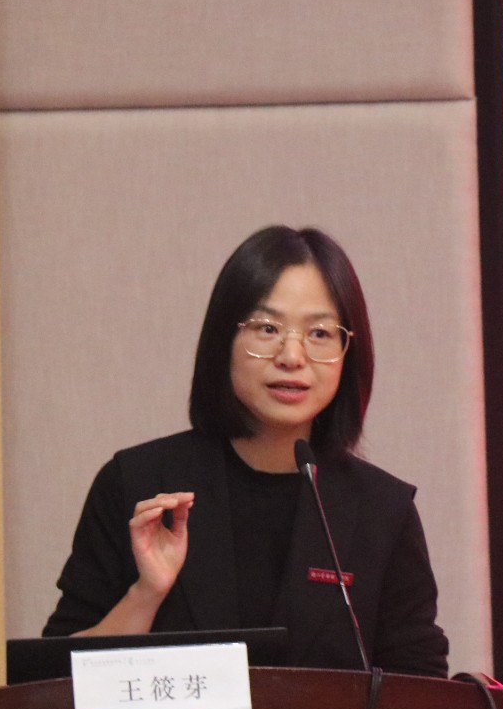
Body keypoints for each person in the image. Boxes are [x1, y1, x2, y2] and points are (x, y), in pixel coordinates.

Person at [41, 225, 449, 677]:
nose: (292, 356)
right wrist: (147, 593)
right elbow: (52, 681)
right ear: (224, 340)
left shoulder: (381, 511)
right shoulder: (138, 484)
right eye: (267, 328)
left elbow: (424, 691)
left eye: (319, 333)